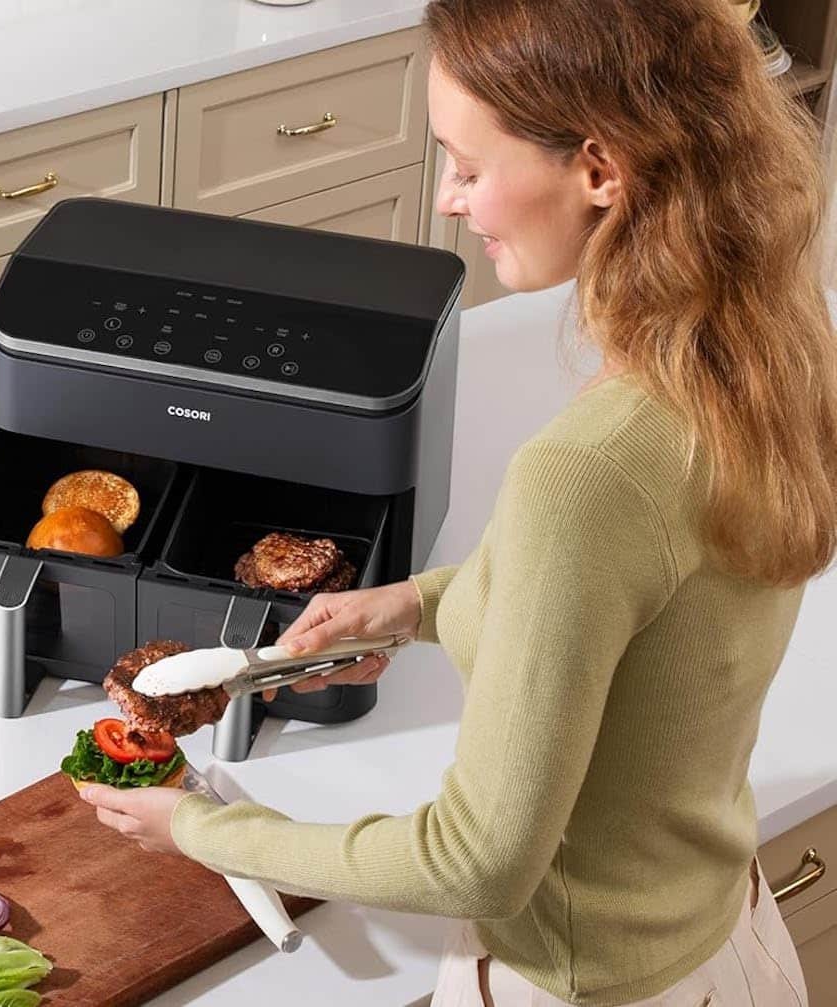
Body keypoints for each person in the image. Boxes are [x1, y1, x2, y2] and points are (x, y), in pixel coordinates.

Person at [81, 0, 837, 1002]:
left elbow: (474, 859)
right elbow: (651, 598)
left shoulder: (584, 471)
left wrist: (200, 827)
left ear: (598, 170)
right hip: (729, 942)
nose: (446, 199)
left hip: (581, 981)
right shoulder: (766, 338)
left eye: (469, 165)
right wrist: (412, 603)